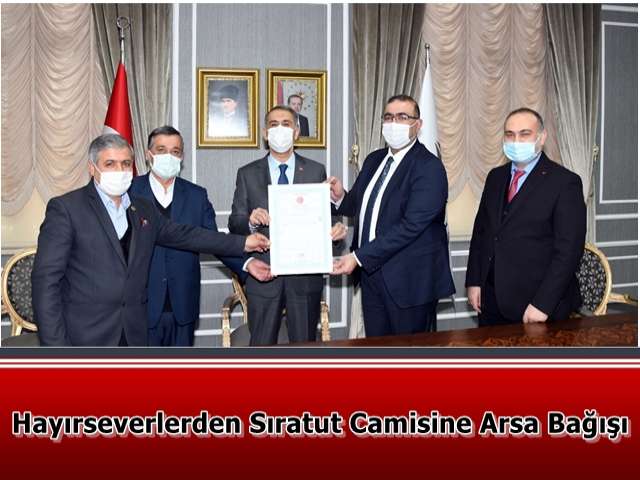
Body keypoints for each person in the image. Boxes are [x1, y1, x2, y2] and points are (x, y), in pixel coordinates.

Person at [31, 133, 270, 347]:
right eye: (110, 164)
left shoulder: (142, 209)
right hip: (86, 336)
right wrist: (56, 349)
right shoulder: (67, 209)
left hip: (134, 332)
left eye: (126, 164)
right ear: (92, 168)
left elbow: (188, 235)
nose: (119, 170)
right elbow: (46, 283)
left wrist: (243, 243)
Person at [129, 126, 271, 346]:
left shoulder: (196, 195)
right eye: (161, 150)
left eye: (175, 151)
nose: (169, 156)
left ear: (182, 157)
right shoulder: (129, 192)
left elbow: (213, 240)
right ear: (149, 155)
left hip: (183, 304)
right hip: (140, 305)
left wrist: (247, 263)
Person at [329, 94, 455, 336]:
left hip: (409, 280)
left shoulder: (429, 167)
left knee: (409, 353)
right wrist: (340, 197)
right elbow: (359, 205)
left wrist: (358, 257)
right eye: (388, 117)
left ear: (418, 125)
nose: (393, 123)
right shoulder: (374, 160)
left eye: (402, 117)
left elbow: (411, 226)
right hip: (371, 274)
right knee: (378, 348)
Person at [228, 106, 347, 345]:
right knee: (261, 347)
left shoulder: (315, 170)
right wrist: (251, 221)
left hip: (305, 278)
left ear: (296, 132)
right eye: (274, 124)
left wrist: (335, 233)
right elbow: (234, 222)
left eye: (286, 123)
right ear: (265, 133)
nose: (280, 129)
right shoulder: (247, 173)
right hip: (264, 275)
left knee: (303, 348)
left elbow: (325, 217)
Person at [465, 107, 586, 325]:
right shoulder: (495, 177)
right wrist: (474, 280)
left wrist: (543, 304)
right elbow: (481, 232)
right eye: (510, 135)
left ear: (542, 137)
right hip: (490, 299)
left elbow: (568, 252)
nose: (516, 141)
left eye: (524, 134)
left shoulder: (564, 183)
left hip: (537, 304)